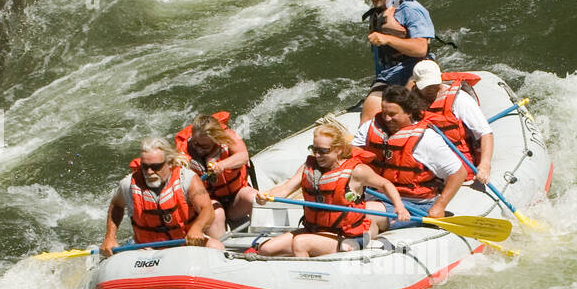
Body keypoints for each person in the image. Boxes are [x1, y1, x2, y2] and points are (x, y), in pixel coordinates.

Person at [254, 116, 411, 258]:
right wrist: (266, 196)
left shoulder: (357, 171)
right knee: (266, 249)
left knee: (300, 243)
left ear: (339, 150)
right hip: (315, 229)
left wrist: (399, 207)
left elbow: (385, 184)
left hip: (346, 235)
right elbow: (286, 188)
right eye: (314, 149)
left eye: (323, 151)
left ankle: (308, 279)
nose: (317, 155)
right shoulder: (308, 168)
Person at [351, 86, 470, 228]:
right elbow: (353, 155)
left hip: (414, 204)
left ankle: (356, 244)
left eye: (393, 114)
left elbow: (458, 173)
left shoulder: (426, 140)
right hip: (377, 194)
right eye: (384, 113)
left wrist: (440, 206)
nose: (387, 119)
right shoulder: (371, 128)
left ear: (408, 112)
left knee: (361, 213)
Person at [100, 138, 221, 256]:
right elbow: (116, 205)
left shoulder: (187, 179)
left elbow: (207, 210)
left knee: (216, 247)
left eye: (156, 167)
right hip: (147, 249)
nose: (149, 172)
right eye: (145, 167)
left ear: (169, 163)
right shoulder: (129, 184)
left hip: (186, 244)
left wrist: (197, 228)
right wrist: (109, 237)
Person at [360, 0, 435, 123]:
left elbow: (421, 49)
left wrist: (387, 38)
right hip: (389, 75)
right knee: (370, 111)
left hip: (415, 69)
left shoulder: (410, 9)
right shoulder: (377, 14)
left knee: (404, 109)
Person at [174, 112, 258, 238]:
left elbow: (243, 156)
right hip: (210, 199)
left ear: (216, 139)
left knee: (253, 198)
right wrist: (179, 165)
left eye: (205, 146)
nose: (199, 149)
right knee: (216, 214)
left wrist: (222, 165)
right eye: (195, 143)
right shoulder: (184, 149)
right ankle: (221, 249)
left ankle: (261, 240)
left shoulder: (228, 136)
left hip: (235, 198)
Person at [410, 60, 494, 185]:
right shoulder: (410, 101)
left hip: (455, 155)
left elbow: (485, 133)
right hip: (426, 156)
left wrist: (485, 164)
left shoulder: (459, 99)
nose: (430, 88)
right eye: (425, 86)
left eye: (433, 84)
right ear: (416, 84)